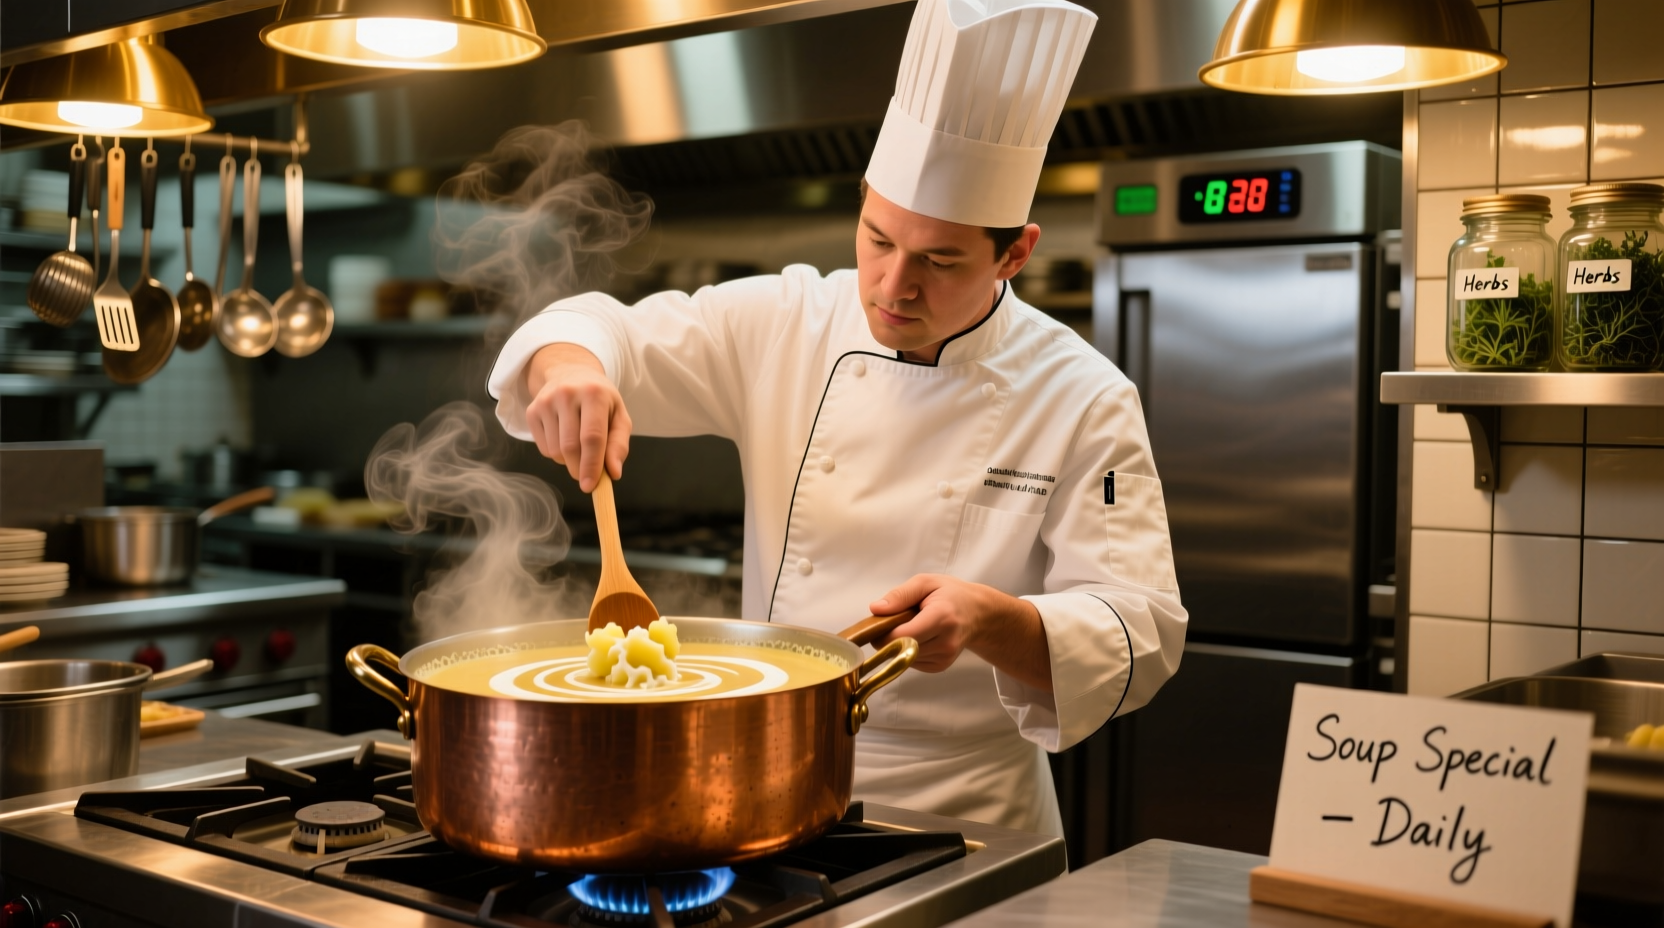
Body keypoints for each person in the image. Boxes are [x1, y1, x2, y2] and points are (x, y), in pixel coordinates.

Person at [489, 0, 1186, 837]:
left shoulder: (1083, 394)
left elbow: (1141, 628)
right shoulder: (788, 320)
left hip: (967, 814)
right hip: (771, 777)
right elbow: (600, 329)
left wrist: (991, 618)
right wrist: (571, 368)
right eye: (878, 239)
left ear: (1015, 253)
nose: (893, 287)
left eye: (939, 260)